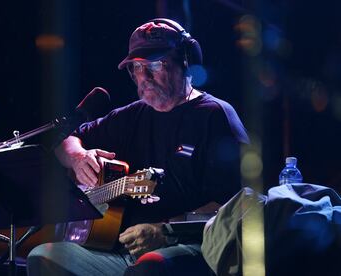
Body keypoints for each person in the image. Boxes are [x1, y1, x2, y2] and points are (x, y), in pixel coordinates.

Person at [27, 18, 249, 275]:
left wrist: (165, 231)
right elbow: (65, 141)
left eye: (154, 65)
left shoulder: (215, 116)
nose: (144, 77)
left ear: (185, 61)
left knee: (149, 268)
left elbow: (238, 205)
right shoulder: (132, 115)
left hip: (191, 247)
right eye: (136, 68)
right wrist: (78, 157)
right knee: (43, 256)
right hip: (121, 251)